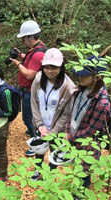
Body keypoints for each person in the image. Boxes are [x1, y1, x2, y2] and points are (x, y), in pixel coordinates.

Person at [30, 48, 76, 180]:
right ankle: (37, 170)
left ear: (61, 67)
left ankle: (49, 174)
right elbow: (33, 102)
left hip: (56, 128)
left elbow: (67, 114)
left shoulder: (68, 87)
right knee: (39, 147)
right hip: (41, 124)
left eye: (54, 67)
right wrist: (39, 125)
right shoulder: (38, 79)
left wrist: (53, 131)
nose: (49, 71)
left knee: (54, 151)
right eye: (47, 67)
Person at [66, 56, 111, 187]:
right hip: (75, 137)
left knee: (84, 173)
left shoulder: (101, 102)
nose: (80, 77)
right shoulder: (83, 89)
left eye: (84, 75)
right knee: (76, 171)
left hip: (87, 146)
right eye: (79, 74)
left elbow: (91, 132)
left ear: (96, 77)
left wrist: (70, 137)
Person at [10, 20, 47, 157]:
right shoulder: (38, 49)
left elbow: (29, 75)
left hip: (30, 91)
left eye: (25, 38)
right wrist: (20, 55)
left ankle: (36, 142)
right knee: (31, 116)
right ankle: (33, 132)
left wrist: (17, 63)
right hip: (28, 90)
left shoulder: (38, 54)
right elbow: (30, 60)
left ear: (31, 37)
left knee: (29, 118)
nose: (24, 41)